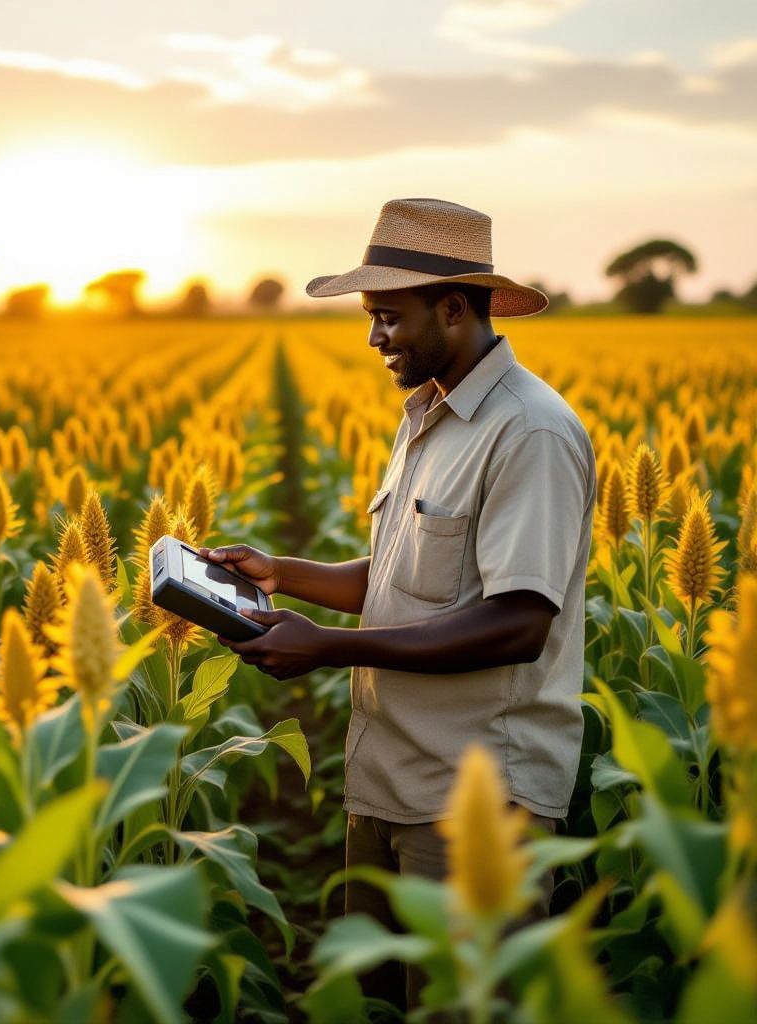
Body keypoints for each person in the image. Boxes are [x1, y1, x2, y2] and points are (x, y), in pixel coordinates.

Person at [199, 197, 598, 1012]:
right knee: (381, 1004)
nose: (374, 337)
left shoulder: (529, 432)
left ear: (452, 308)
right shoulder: (428, 416)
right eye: (370, 317)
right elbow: (403, 577)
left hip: (474, 803)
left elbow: (519, 624)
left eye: (388, 316)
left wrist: (329, 647)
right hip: (389, 780)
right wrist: (280, 571)